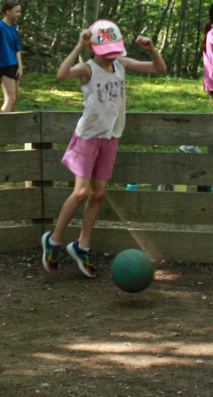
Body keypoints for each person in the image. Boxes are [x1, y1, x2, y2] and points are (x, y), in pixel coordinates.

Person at [41, 20, 166, 278]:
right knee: (81, 192)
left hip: (111, 136)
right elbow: (62, 74)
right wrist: (78, 45)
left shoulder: (122, 65)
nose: (110, 55)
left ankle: (82, 246)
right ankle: (53, 241)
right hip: (88, 137)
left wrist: (152, 49)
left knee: (98, 195)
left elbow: (159, 69)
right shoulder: (88, 69)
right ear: (94, 48)